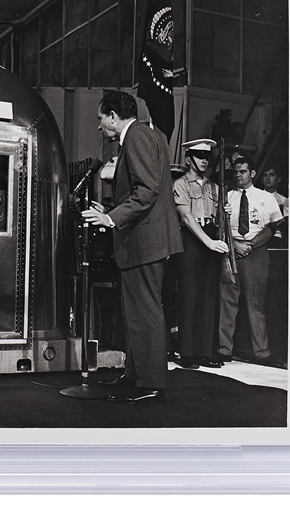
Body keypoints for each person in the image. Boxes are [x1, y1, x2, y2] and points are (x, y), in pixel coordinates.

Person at [81, 91, 183, 404]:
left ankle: (150, 384)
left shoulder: (137, 137)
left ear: (113, 116)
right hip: (147, 240)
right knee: (137, 313)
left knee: (145, 313)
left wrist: (110, 218)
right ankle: (134, 377)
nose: (100, 127)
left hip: (145, 241)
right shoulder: (149, 135)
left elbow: (147, 191)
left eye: (101, 119)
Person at [217, 156, 285, 368]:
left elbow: (273, 227)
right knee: (227, 301)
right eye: (236, 172)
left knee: (255, 303)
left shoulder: (265, 198)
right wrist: (235, 244)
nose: (239, 175)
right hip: (231, 251)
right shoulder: (227, 197)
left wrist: (250, 245)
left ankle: (261, 352)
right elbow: (220, 225)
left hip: (256, 253)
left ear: (252, 174)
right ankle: (223, 349)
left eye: (243, 171)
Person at [172, 139, 230, 369]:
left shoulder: (214, 187)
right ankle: (187, 353)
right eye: (199, 156)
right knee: (189, 295)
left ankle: (205, 351)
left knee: (208, 296)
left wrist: (225, 213)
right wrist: (207, 242)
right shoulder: (180, 184)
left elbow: (219, 218)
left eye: (207, 157)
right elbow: (186, 217)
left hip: (212, 236)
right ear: (189, 159)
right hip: (193, 239)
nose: (204, 160)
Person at [261, 165, 289, 247]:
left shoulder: (283, 200)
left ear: (278, 179)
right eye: (265, 175)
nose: (268, 178)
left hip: (276, 238)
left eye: (271, 175)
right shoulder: (256, 197)